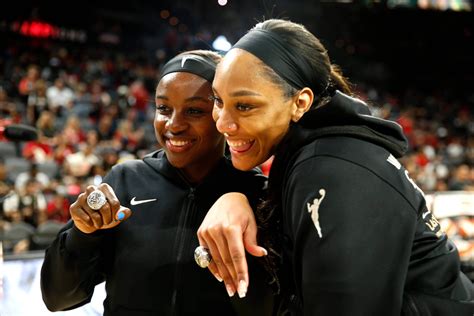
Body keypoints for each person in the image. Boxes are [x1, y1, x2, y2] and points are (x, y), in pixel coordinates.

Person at [197, 19, 474, 315]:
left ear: (300, 102)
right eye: (218, 100)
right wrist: (235, 197)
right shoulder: (319, 151)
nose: (222, 122)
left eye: (244, 106)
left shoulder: (333, 170)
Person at [40, 50, 273, 316]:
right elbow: (57, 298)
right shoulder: (125, 181)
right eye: (163, 108)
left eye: (194, 111)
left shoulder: (257, 192)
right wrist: (82, 235)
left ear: (223, 115)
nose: (173, 124)